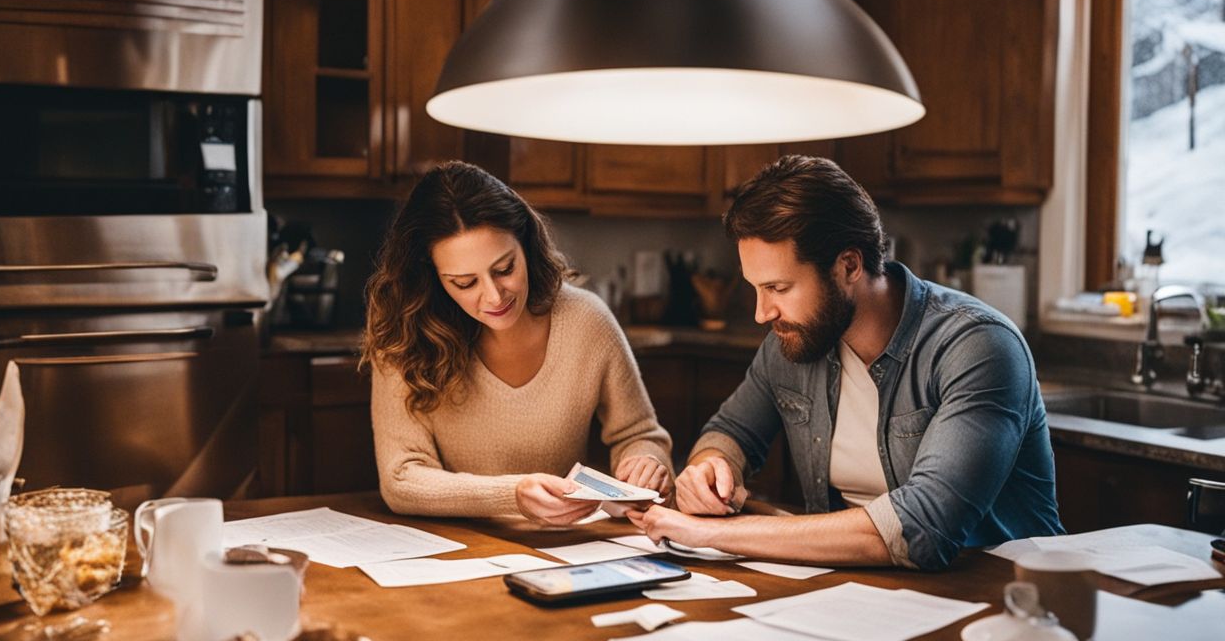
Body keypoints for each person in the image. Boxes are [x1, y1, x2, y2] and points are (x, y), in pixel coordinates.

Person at [628, 155, 1063, 570]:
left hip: (1003, 601)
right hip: (859, 593)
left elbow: (924, 529)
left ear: (849, 266)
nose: (762, 313)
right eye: (756, 289)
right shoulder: (793, 340)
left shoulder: (977, 346)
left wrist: (713, 534)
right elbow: (731, 432)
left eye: (778, 288)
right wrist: (711, 468)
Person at [362, 161, 673, 525]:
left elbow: (640, 434)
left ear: (525, 244)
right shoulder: (404, 338)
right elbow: (401, 479)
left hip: (564, 548)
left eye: (505, 268)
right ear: (432, 279)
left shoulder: (586, 321)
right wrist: (512, 495)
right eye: (465, 283)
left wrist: (646, 463)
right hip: (454, 547)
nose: (494, 296)